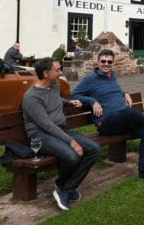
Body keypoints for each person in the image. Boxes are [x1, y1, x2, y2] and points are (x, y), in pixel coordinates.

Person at [71, 49, 144, 182]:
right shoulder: (90, 79)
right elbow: (73, 95)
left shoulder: (113, 76)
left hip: (122, 122)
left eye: (109, 62)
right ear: (98, 62)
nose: (106, 64)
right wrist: (92, 101)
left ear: (113, 63)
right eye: (103, 61)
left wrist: (124, 93)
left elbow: (113, 91)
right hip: (106, 124)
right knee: (128, 112)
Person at [22, 57, 101, 210]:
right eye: (57, 70)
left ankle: (65, 187)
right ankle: (64, 187)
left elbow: (55, 99)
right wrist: (72, 142)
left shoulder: (54, 87)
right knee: (71, 155)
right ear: (46, 73)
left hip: (60, 130)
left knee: (94, 149)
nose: (60, 73)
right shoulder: (31, 97)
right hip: (41, 135)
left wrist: (69, 102)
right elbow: (46, 125)